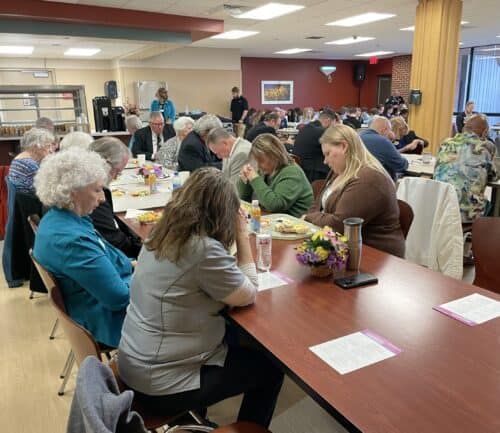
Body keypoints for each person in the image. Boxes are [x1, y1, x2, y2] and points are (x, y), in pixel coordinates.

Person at [118, 168, 284, 428]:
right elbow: (250, 292)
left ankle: (194, 417)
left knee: (235, 337)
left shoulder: (162, 233)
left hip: (134, 362)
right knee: (271, 367)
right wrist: (241, 236)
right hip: (160, 384)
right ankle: (249, 428)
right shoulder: (202, 249)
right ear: (222, 213)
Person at [33, 150, 133, 348]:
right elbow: (119, 298)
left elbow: (109, 257)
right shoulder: (72, 240)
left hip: (94, 303)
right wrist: (150, 278)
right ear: (73, 192)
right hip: (110, 321)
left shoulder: (63, 218)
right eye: (96, 190)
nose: (102, 198)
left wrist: (135, 265)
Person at [305, 124, 405, 258]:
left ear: (344, 146)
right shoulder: (340, 171)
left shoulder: (368, 179)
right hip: (341, 248)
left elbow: (339, 224)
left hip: (374, 257)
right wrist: (312, 215)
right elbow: (316, 206)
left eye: (328, 154)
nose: (325, 161)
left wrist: (308, 217)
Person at [434, 114, 497, 223]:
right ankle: (483, 237)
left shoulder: (446, 143)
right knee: (492, 205)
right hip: (466, 214)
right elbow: (494, 175)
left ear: (464, 129)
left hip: (440, 209)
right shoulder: (485, 146)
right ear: (485, 132)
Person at [89, 137, 142, 258]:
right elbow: (113, 239)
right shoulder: (90, 193)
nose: (116, 177)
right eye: (117, 172)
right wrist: (142, 252)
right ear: (105, 163)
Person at [237, 134, 313, 217]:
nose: (258, 165)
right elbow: (244, 198)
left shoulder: (292, 172)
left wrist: (255, 179)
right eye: (256, 161)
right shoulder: (266, 169)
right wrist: (245, 179)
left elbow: (275, 206)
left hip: (295, 223)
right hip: (272, 220)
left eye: (261, 161)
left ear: (275, 156)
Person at [293, 109, 340, 182]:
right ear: (328, 120)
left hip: (301, 168)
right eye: (335, 123)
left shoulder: (306, 127)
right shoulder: (322, 131)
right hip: (313, 173)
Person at [359, 115, 408, 180]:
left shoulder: (358, 136)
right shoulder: (383, 141)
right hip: (377, 183)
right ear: (384, 130)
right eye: (390, 130)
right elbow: (401, 165)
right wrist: (405, 161)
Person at [7, 128, 55, 193]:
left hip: (24, 200)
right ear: (36, 147)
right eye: (48, 146)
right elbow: (48, 187)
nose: (51, 150)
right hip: (32, 201)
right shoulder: (30, 165)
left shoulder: (20, 159)